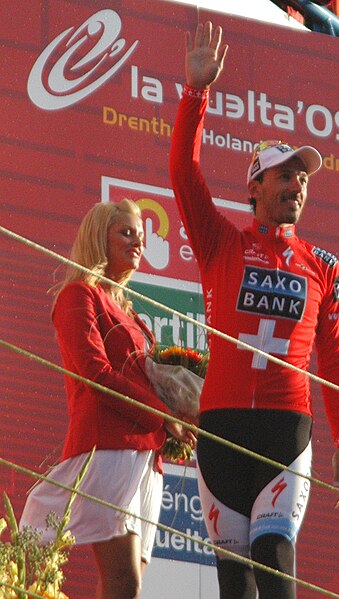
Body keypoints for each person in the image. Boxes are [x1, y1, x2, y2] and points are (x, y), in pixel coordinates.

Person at [169, 22, 339, 599]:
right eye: (284, 175)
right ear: (254, 187)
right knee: (235, 588)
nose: (296, 184)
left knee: (274, 562)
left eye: (302, 178)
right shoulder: (222, 243)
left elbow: (336, 354)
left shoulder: (324, 264)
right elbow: (183, 175)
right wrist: (195, 94)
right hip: (221, 427)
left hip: (285, 430)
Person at [20, 199, 196, 599]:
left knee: (124, 586)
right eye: (126, 232)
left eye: (141, 235)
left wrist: (183, 408)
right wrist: (162, 414)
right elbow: (95, 374)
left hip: (147, 459)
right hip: (109, 449)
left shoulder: (133, 315)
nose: (138, 242)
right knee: (124, 584)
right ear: (100, 238)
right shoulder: (78, 295)